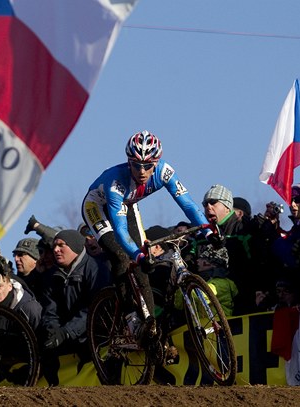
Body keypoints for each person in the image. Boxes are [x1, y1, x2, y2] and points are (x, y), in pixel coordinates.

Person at [82, 130, 217, 344]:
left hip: (128, 205)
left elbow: (188, 204)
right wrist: (137, 256)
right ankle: (130, 317)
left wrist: (208, 231)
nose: (142, 171)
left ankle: (151, 330)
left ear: (157, 162)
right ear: (129, 162)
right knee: (121, 255)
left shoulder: (165, 172)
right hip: (98, 208)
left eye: (148, 165)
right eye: (136, 165)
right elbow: (119, 230)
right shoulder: (116, 182)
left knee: (144, 267)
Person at [39, 229, 110, 386]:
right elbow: (50, 309)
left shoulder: (96, 270)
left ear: (75, 246)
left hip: (96, 339)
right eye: (54, 246)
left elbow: (93, 309)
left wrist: (66, 332)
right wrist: (53, 331)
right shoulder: (53, 275)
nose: (56, 250)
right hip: (68, 339)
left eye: (61, 245)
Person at [201, 184, 255, 314]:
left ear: (227, 206)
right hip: (208, 312)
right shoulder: (203, 234)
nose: (208, 207)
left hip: (242, 301)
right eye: (205, 204)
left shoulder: (243, 228)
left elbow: (255, 263)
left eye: (213, 202)